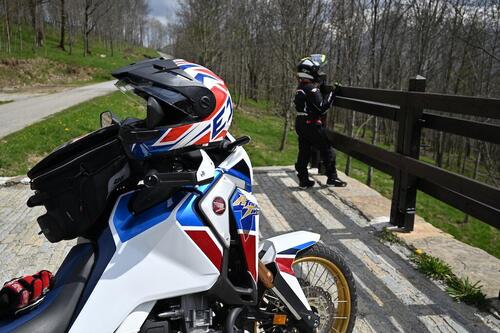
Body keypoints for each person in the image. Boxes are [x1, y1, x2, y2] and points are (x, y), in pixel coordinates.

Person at [294, 55, 347, 189]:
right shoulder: (311, 88)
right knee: (327, 149)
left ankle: (303, 180)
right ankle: (332, 178)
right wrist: (333, 93)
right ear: (310, 71)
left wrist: (321, 88)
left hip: (300, 123)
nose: (319, 73)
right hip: (311, 124)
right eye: (316, 70)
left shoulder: (301, 87)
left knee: (304, 151)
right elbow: (322, 107)